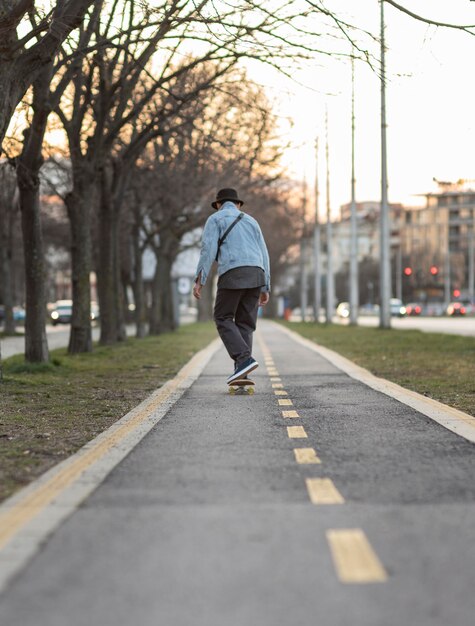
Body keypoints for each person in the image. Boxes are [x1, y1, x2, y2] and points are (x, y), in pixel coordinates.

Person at [193, 188, 270, 383]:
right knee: (245, 323)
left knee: (222, 316)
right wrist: (265, 286)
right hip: (256, 274)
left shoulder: (216, 219)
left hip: (233, 272)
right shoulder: (252, 221)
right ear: (238, 204)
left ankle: (243, 361)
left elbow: (208, 250)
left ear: (218, 205)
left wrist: (200, 280)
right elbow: (264, 254)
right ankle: (242, 372)